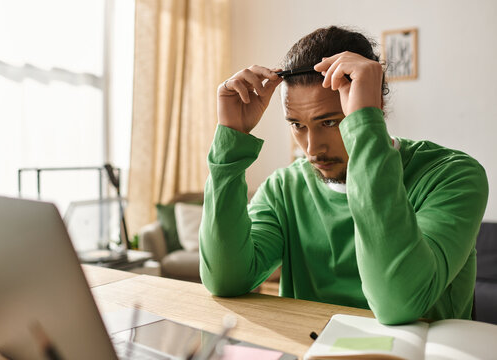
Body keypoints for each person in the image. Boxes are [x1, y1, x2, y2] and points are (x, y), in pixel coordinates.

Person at [198, 26, 488, 325]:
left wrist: (365, 127)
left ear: (375, 106)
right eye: (297, 125)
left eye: (330, 122)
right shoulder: (283, 188)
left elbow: (398, 302)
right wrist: (230, 141)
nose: (312, 149)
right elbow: (225, 280)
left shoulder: (452, 176)